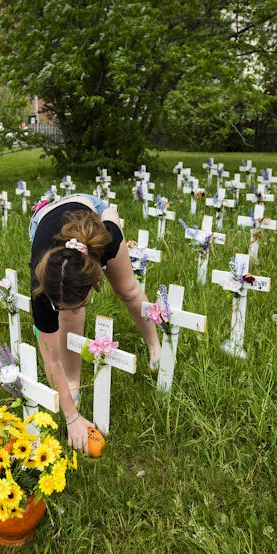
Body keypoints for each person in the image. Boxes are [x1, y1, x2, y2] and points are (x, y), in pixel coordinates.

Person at [29, 194, 161, 454]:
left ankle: (155, 345)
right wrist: (71, 417)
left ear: (94, 280)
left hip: (92, 213)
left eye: (81, 301)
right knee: (71, 315)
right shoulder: (43, 283)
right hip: (45, 222)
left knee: (128, 290)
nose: (64, 309)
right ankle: (73, 380)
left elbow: (111, 210)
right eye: (59, 305)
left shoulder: (106, 237)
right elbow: (50, 357)